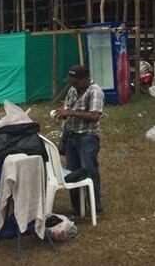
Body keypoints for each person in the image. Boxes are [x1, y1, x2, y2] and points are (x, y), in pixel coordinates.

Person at [56, 64, 105, 214]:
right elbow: (67, 108)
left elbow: (94, 116)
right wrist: (61, 113)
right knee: (72, 173)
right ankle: (77, 208)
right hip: (71, 136)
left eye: (76, 82)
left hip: (87, 138)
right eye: (71, 82)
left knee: (89, 171)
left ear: (85, 80)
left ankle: (95, 206)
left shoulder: (94, 92)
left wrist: (70, 113)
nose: (73, 85)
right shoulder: (72, 90)